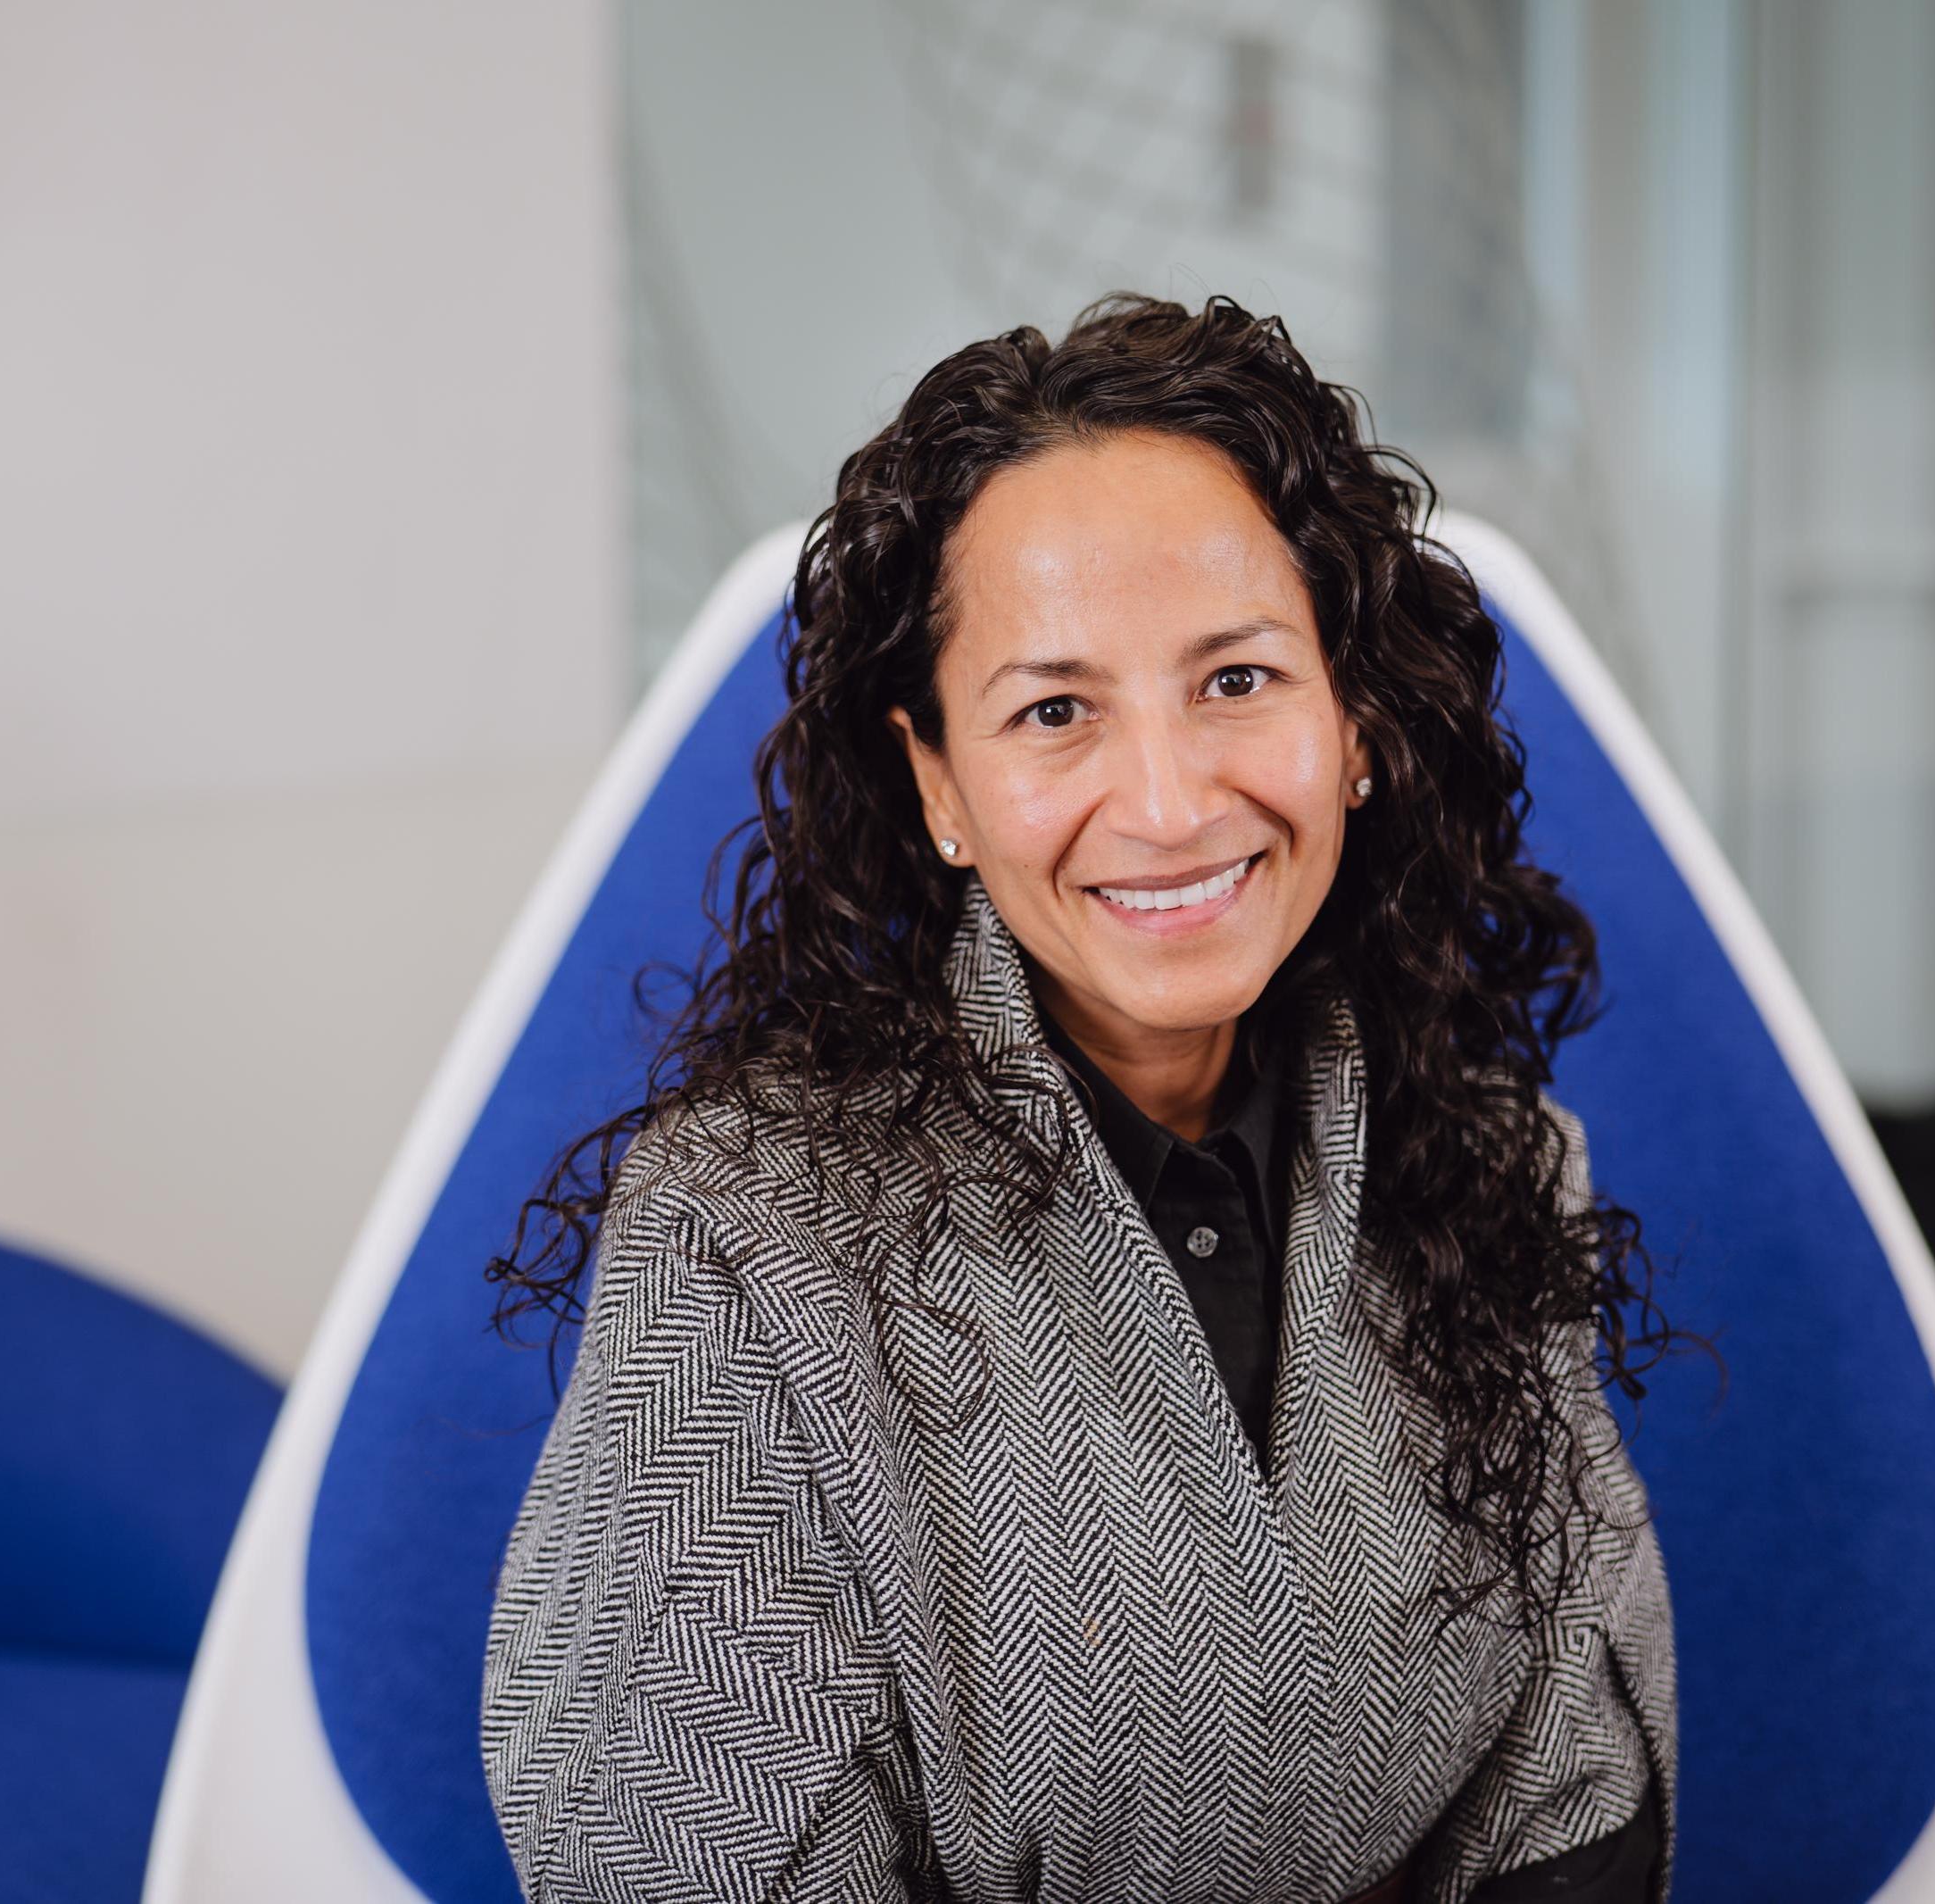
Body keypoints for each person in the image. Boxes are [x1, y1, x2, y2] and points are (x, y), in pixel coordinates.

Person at [478, 292, 1703, 1904]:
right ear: (942, 788)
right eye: (1057, 711)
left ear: (1354, 724)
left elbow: (1579, 1788)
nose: (1174, 801)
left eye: (1239, 680)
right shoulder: (745, 1239)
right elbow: (690, 1839)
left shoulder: (1495, 1165)